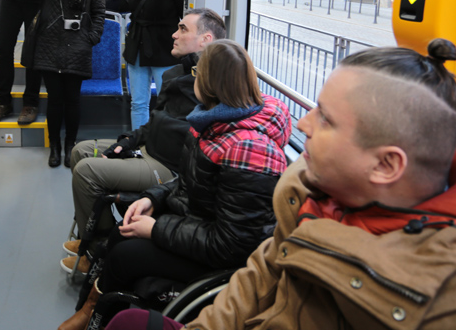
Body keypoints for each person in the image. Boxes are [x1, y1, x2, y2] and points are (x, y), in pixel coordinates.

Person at [109, 40, 456, 330]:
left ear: (385, 165)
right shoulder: (306, 196)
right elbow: (251, 288)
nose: (303, 123)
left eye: (325, 118)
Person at [59, 40, 291, 330]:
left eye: (198, 73)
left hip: (223, 258)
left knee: (124, 255)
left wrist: (155, 229)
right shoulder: (212, 121)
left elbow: (232, 245)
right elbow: (188, 180)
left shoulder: (249, 150)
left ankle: (99, 314)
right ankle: (93, 308)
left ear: (208, 82)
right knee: (122, 231)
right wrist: (152, 198)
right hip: (198, 222)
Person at [61, 8, 227, 275]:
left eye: (183, 29)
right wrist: (128, 142)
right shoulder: (175, 74)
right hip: (148, 149)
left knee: (86, 171)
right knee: (81, 151)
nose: (174, 34)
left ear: (205, 39)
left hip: (168, 167)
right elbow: (155, 121)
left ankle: (98, 253)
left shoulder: (214, 83)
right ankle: (93, 233)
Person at [0, 0, 105, 168]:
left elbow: (99, 13)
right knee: (55, 100)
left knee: (73, 100)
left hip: (78, 46)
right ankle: (55, 147)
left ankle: (70, 145)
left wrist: (91, 38)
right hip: (49, 46)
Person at [123, 0, 185, 129]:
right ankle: (138, 144)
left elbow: (183, 17)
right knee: (138, 103)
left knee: (167, 104)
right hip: (137, 43)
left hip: (164, 46)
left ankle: (162, 144)